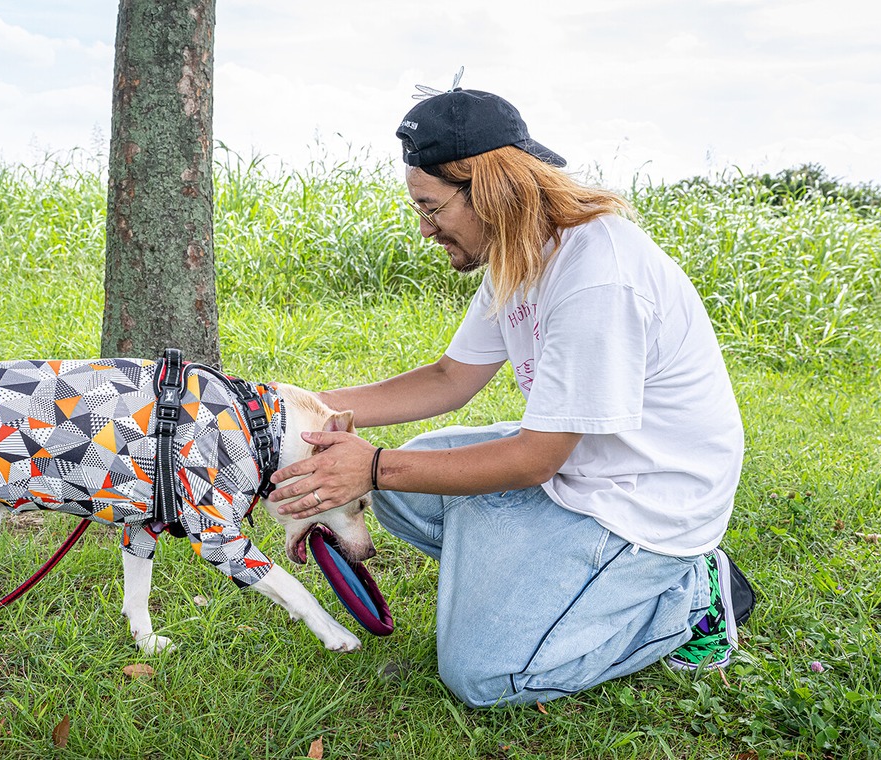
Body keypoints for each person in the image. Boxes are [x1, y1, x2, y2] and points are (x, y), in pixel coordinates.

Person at [267, 81, 756, 707]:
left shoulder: (596, 276)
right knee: (402, 491)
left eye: (432, 207)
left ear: (492, 191)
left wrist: (377, 466)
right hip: (584, 470)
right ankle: (538, 580)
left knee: (485, 676)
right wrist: (286, 406)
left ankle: (687, 596)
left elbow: (534, 459)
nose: (425, 230)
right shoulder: (519, 251)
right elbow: (451, 379)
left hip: (646, 501)